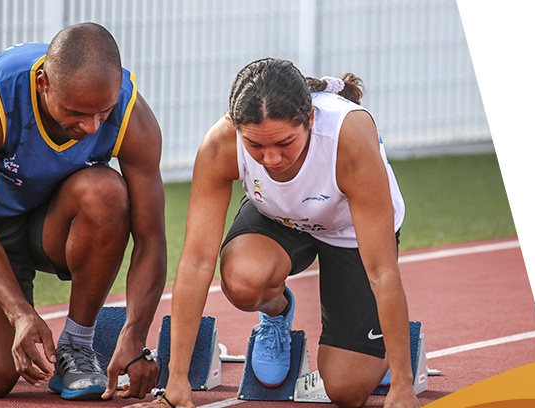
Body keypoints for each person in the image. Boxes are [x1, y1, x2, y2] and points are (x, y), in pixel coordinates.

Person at [128, 58, 419, 408]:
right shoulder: (221, 144)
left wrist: (403, 385)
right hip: (280, 217)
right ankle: (277, 314)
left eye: (284, 143)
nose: (271, 159)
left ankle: (389, 353)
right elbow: (196, 262)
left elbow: (381, 271)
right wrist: (175, 384)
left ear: (309, 119)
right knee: (243, 280)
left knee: (347, 389)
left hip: (349, 231)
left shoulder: (349, 138)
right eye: (255, 146)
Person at [0, 23, 166, 400]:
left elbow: (151, 240)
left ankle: (77, 346)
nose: (91, 127)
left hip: (51, 222)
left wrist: (135, 335)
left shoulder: (133, 116)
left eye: (102, 113)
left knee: (106, 191)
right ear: (43, 83)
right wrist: (20, 313)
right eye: (76, 113)